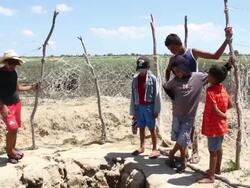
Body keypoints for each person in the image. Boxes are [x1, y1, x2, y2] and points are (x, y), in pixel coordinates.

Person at [164, 27, 233, 162]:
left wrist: (227, 40)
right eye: (169, 50)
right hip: (181, 95)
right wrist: (171, 89)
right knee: (183, 123)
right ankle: (185, 152)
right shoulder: (173, 59)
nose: (171, 52)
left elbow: (215, 56)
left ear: (179, 44)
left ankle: (194, 151)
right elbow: (168, 71)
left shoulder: (192, 52)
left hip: (194, 90)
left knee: (191, 123)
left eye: (172, 48)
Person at [163, 55, 208, 172]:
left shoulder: (197, 78)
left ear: (185, 67)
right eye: (175, 72)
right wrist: (171, 95)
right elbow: (166, 86)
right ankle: (174, 155)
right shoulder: (174, 81)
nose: (177, 74)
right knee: (179, 139)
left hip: (189, 117)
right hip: (176, 116)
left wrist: (227, 66)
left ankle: (181, 162)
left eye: (179, 71)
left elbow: (213, 75)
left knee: (182, 139)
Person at [0, 50, 38, 164]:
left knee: (16, 128)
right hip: (5, 105)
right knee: (12, 128)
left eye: (15, 64)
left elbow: (18, 88)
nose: (13, 66)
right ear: (5, 62)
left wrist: (32, 87)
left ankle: (12, 149)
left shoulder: (13, 73)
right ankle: (10, 151)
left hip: (16, 103)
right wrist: (3, 106)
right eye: (11, 63)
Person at [198, 64, 232, 184]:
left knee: (212, 152)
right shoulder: (223, 89)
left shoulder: (210, 91)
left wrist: (222, 115)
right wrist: (224, 113)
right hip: (221, 126)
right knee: (219, 148)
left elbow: (213, 109)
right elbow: (230, 104)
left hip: (213, 126)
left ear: (213, 78)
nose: (207, 76)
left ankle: (211, 177)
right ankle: (217, 169)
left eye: (209, 74)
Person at [130, 56, 161, 158]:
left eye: (143, 69)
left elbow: (157, 94)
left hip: (149, 107)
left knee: (152, 128)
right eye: (140, 69)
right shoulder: (135, 79)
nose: (141, 71)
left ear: (147, 68)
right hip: (139, 107)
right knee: (141, 127)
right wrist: (133, 111)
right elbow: (133, 96)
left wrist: (157, 109)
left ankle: (155, 148)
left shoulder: (152, 79)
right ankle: (142, 146)